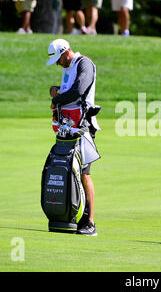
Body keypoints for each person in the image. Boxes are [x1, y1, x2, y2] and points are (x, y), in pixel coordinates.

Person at [47, 39, 101, 236]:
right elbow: (68, 92)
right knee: (71, 171)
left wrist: (56, 99)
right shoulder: (67, 67)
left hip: (83, 127)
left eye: (58, 59)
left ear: (65, 52)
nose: (57, 63)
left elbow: (79, 91)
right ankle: (70, 216)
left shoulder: (84, 64)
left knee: (84, 173)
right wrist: (56, 91)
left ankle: (90, 222)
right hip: (68, 128)